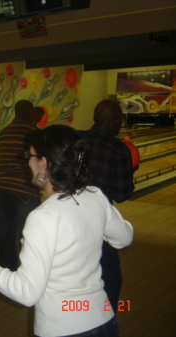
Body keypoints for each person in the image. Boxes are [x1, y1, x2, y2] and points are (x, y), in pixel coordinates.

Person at [0, 125, 133, 337]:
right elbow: (125, 237)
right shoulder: (95, 196)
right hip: (105, 322)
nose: (27, 160)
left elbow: (26, 293)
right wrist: (93, 221)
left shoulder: (43, 217)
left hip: (63, 330)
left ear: (44, 163)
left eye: (30, 155)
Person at [81, 99, 136, 313]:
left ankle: (81, 312)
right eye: (120, 120)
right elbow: (122, 195)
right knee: (110, 273)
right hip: (100, 220)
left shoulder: (78, 139)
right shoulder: (118, 148)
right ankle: (106, 315)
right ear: (114, 121)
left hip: (71, 216)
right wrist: (130, 171)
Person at [0, 100, 44, 271]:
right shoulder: (35, 133)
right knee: (29, 237)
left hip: (2, 190)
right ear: (30, 114)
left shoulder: (3, 133)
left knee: (5, 238)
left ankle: (7, 277)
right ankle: (30, 276)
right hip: (25, 190)